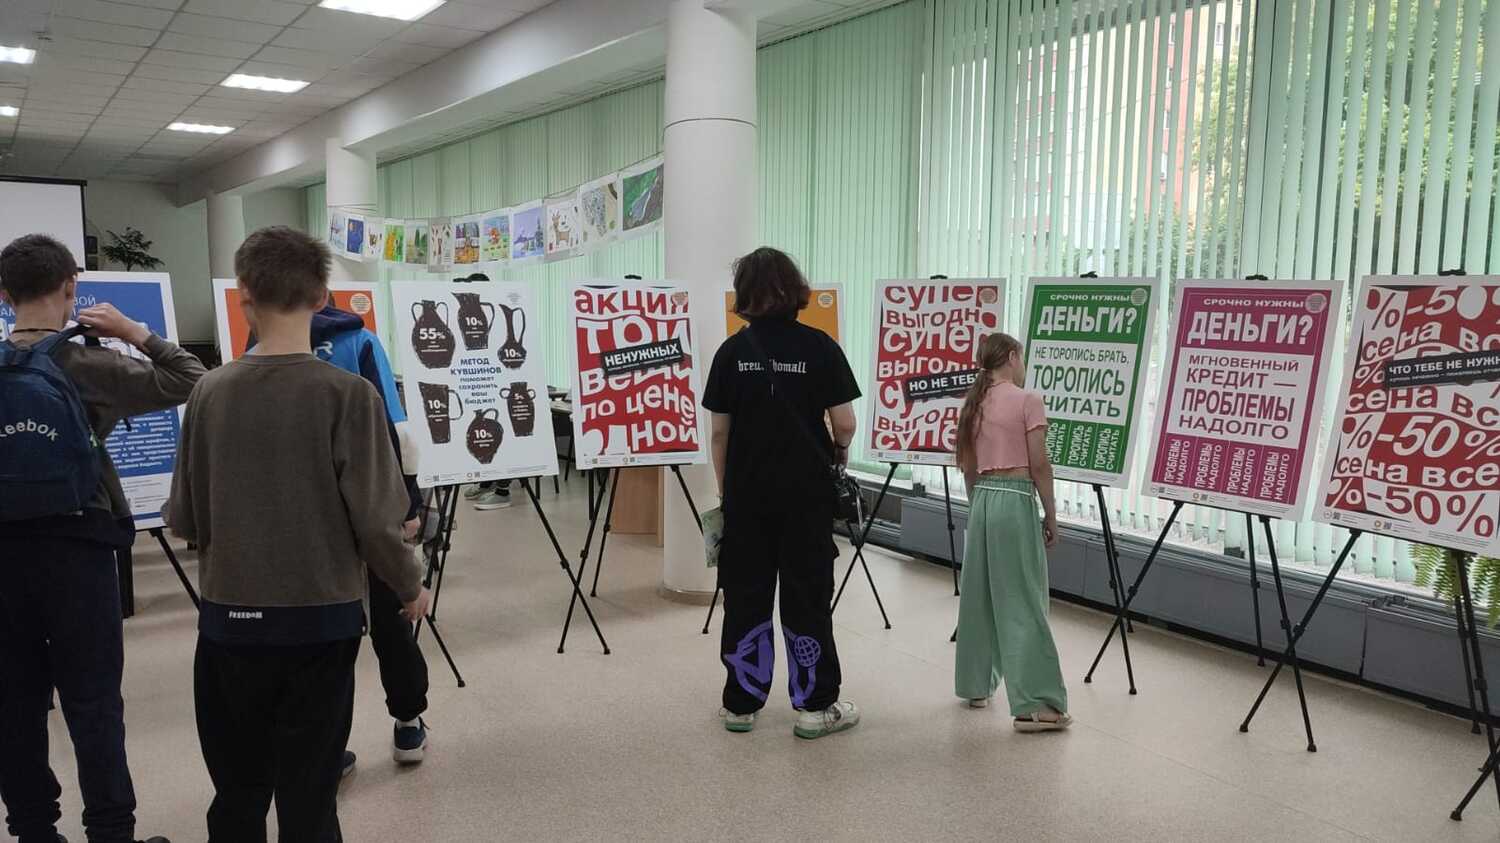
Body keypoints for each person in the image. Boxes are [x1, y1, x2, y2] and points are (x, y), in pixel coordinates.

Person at [165, 226, 430, 840]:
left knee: (237, 793)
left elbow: (185, 519)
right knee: (310, 797)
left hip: (230, 623)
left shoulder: (207, 392)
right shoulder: (350, 396)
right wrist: (410, 585)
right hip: (321, 624)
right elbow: (378, 523)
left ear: (243, 294)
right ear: (321, 297)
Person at [0, 232, 203, 843]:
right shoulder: (88, 364)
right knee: (93, 703)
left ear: (4, 295)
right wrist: (135, 333)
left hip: (4, 555)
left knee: (13, 702)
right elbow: (191, 378)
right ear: (71, 287)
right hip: (80, 548)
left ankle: (34, 830)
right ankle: (112, 832)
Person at [250, 303, 433, 773]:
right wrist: (408, 505)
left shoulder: (261, 343)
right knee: (392, 616)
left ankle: (324, 749)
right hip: (367, 500)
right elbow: (397, 432)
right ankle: (408, 721)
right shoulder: (361, 341)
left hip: (300, 516)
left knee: (321, 636)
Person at [703, 247, 862, 739]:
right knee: (806, 598)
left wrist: (728, 494)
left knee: (745, 599)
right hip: (806, 499)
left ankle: (740, 705)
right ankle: (815, 707)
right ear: (795, 290)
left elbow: (719, 435)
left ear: (744, 295)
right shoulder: (820, 347)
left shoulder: (731, 353)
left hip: (747, 500)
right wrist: (838, 451)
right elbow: (845, 423)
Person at [952, 332, 1072, 732]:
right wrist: (1051, 515)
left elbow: (969, 467)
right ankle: (1034, 704)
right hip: (1014, 498)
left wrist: (979, 505)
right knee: (1023, 599)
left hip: (983, 500)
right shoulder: (1027, 400)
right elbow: (1039, 465)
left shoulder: (973, 403)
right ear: (1012, 357)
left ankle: (976, 686)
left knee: (980, 596)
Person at [453, 273, 513, 511]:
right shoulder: (474, 314)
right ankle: (487, 482)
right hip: (481, 383)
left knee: (501, 437)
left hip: (498, 385)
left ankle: (503, 491)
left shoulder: (497, 313)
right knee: (482, 434)